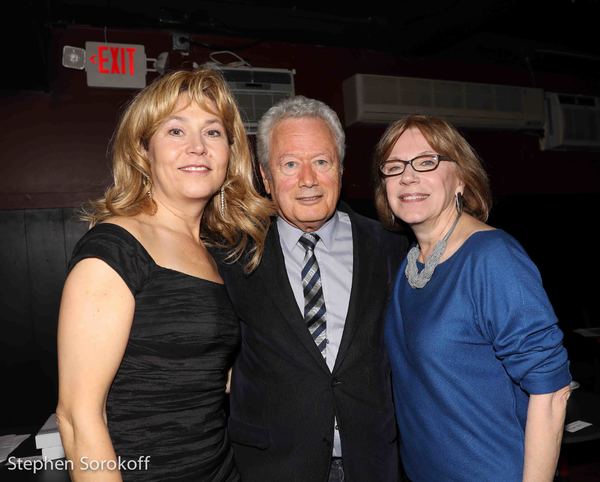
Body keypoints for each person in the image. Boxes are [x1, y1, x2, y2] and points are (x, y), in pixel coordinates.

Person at [55, 68, 273, 481]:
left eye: (212, 133)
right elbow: (77, 418)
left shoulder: (216, 250)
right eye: (175, 131)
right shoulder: (116, 248)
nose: (197, 148)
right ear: (144, 150)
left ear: (230, 152)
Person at [215, 95, 408, 482]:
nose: (308, 180)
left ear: (339, 168)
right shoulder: (231, 255)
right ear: (266, 177)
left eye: (321, 161)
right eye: (290, 164)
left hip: (372, 463)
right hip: (272, 467)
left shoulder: (390, 245)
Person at [373, 114, 572, 482]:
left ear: (461, 178)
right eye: (394, 166)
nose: (408, 176)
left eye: (427, 161)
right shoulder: (407, 265)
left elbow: (553, 390)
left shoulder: (492, 258)